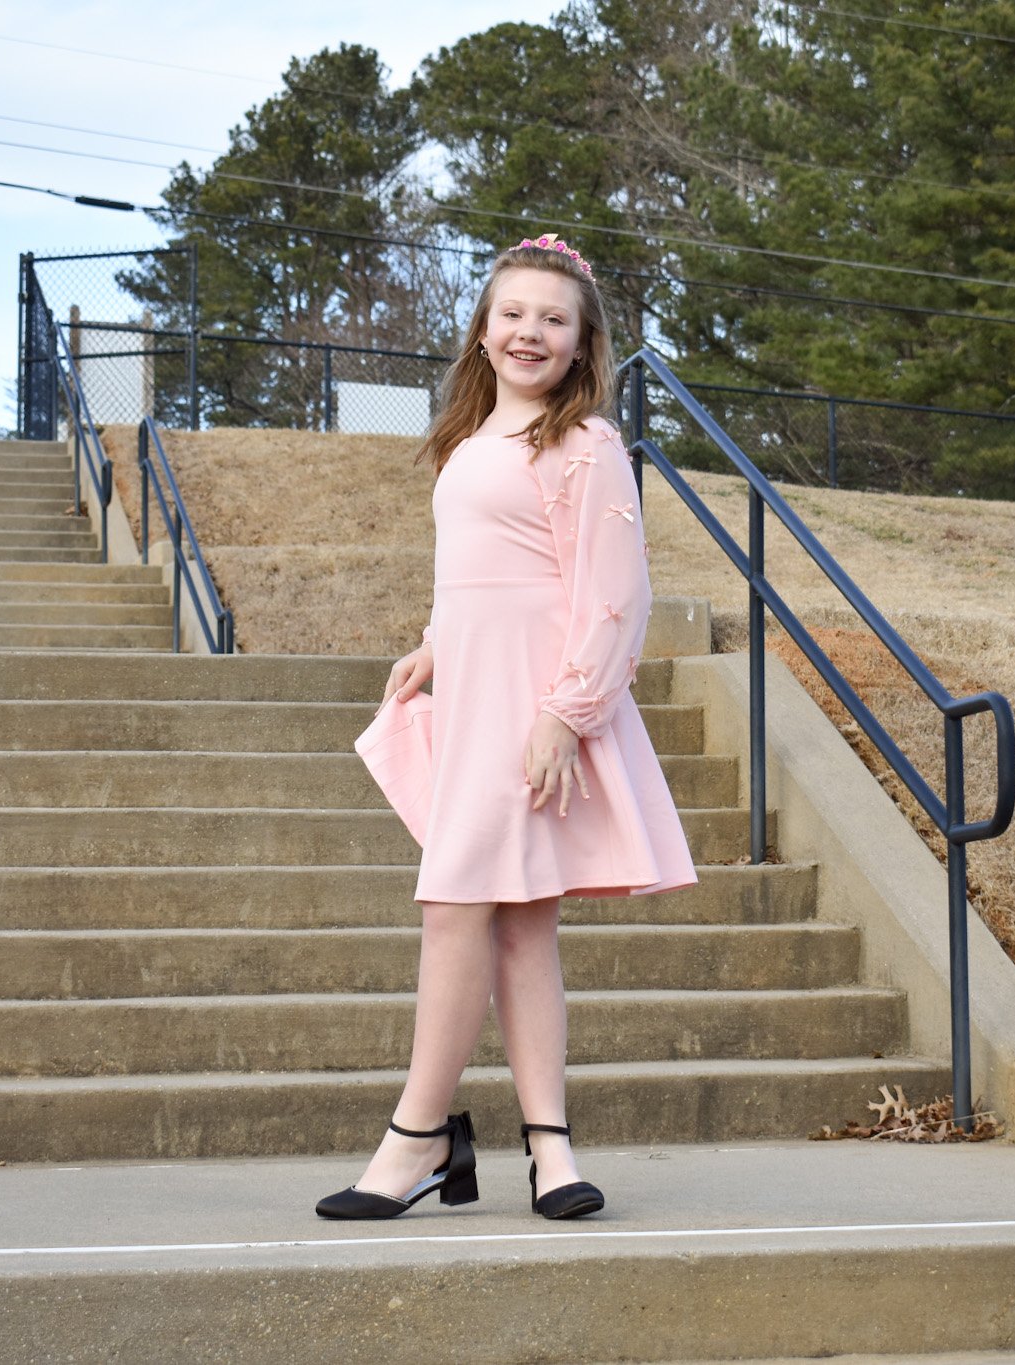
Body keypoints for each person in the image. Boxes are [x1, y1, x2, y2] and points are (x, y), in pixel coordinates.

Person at [317, 233, 698, 1221]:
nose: (529, 331)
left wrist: (566, 715)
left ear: (582, 344)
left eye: (553, 319)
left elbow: (613, 594)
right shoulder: (469, 442)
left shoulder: (585, 446)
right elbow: (482, 570)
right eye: (512, 313)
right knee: (512, 919)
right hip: (474, 688)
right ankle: (542, 1150)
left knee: (463, 910)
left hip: (534, 704)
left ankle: (421, 1139)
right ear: (483, 330)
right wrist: (434, 643)